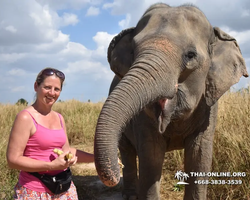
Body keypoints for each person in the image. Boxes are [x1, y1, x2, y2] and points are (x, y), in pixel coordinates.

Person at [6, 67, 95, 199]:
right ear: (36, 86)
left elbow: (66, 151)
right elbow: (13, 160)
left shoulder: (59, 117)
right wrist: (51, 166)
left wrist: (97, 158)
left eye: (57, 89)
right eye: (47, 87)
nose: (52, 93)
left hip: (64, 189)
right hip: (35, 192)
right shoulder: (25, 117)